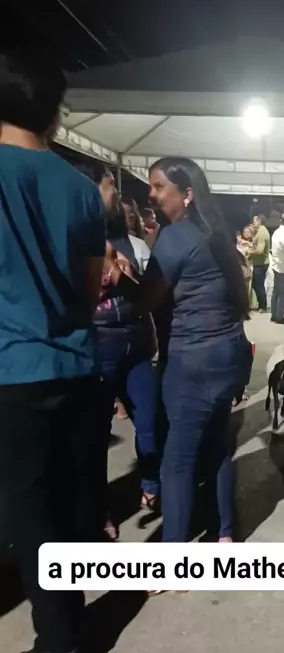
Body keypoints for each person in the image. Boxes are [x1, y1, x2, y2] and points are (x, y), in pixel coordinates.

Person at [0, 50, 106, 653]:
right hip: (75, 369)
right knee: (63, 509)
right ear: (54, 113)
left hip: (14, 372)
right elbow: (90, 291)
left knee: (31, 518)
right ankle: (67, 625)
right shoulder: (81, 189)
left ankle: (61, 652)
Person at [105, 156, 251, 545]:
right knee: (216, 447)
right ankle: (223, 534)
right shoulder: (214, 232)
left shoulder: (175, 236)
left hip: (194, 362)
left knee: (177, 462)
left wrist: (117, 274)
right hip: (229, 353)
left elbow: (145, 302)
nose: (150, 195)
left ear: (186, 194)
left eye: (158, 187)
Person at [95, 201, 159, 533]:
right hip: (98, 348)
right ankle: (101, 510)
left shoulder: (135, 246)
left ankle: (151, 485)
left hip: (137, 347)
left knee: (148, 421)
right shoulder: (77, 243)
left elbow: (148, 295)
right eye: (109, 187)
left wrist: (127, 273)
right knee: (95, 435)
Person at [121, 196, 151, 273]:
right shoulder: (108, 244)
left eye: (131, 211)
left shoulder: (140, 245)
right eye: (124, 212)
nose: (130, 215)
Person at [250, 214, 270, 312]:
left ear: (259, 221)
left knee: (259, 285)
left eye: (254, 221)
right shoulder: (258, 231)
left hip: (261, 263)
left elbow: (260, 250)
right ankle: (260, 304)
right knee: (255, 284)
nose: (252, 223)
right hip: (257, 262)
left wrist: (249, 253)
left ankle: (263, 306)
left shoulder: (262, 233)